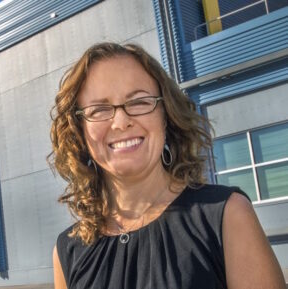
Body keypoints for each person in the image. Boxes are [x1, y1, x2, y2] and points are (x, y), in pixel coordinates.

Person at [48, 42, 286, 289]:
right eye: (99, 109)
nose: (121, 122)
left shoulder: (227, 214)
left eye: (139, 102)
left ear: (166, 117)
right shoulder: (67, 250)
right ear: (79, 131)